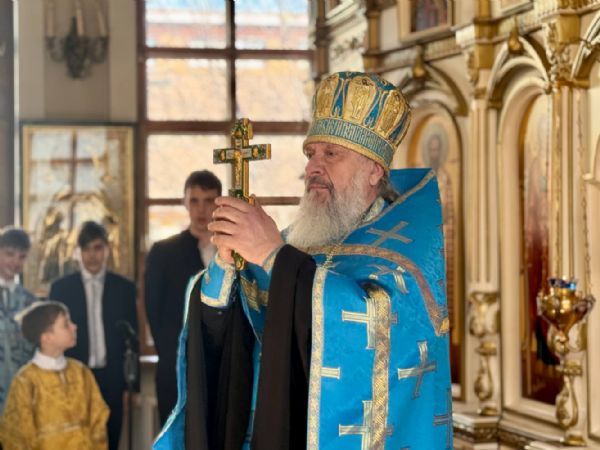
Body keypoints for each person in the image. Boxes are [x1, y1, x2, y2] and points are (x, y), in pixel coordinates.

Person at [154, 72, 453, 449]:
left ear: (374, 170)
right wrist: (227, 268)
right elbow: (238, 325)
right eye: (311, 154)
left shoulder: (403, 257)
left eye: (331, 154)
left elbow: (378, 328)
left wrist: (271, 255)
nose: (313, 167)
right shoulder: (295, 243)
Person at [49, 221, 138, 450]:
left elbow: (132, 338)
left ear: (107, 249)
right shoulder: (61, 289)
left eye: (97, 248)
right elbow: (54, 340)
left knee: (111, 437)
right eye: (86, 249)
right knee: (76, 440)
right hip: (75, 375)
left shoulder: (124, 288)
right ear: (79, 252)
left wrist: (133, 386)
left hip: (113, 377)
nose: (92, 255)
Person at [144, 170, 221, 425]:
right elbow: (153, 311)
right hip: (176, 364)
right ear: (185, 202)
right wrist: (174, 355)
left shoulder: (232, 250)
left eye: (208, 201)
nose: (201, 209)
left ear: (219, 203)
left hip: (222, 365)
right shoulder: (163, 252)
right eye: (194, 200)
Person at [0, 300, 109, 450]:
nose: (74, 327)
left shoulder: (81, 373)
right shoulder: (25, 381)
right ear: (46, 337)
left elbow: (98, 420)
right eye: (66, 324)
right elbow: (17, 436)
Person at [0, 226, 37, 413]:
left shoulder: (31, 302)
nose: (15, 262)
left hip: (19, 395)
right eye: (9, 254)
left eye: (22, 257)